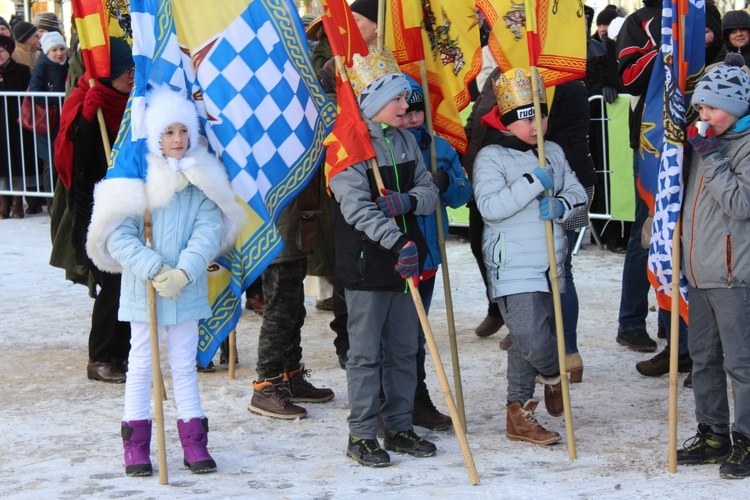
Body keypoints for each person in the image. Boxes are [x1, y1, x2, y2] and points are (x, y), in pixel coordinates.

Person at [86, 84, 245, 476]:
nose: (178, 139)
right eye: (169, 132)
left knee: (183, 364)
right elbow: (120, 236)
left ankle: (194, 441)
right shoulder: (136, 178)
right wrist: (154, 269)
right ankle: (136, 445)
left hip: (186, 288)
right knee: (141, 363)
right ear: (156, 135)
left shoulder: (201, 176)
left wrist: (185, 271)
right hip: (145, 290)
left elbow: (208, 230)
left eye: (184, 131)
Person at [329, 46, 439, 467]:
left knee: (403, 349)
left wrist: (407, 202)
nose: (405, 105)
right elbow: (355, 208)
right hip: (368, 265)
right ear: (374, 103)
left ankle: (398, 425)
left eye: (406, 98)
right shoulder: (347, 144)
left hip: (406, 260)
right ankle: (362, 434)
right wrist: (397, 241)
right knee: (365, 354)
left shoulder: (407, 140)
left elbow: (430, 192)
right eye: (396, 98)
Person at [472, 67, 587, 445]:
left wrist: (561, 206)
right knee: (531, 336)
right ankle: (553, 376)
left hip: (550, 261)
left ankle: (517, 415)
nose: (537, 125)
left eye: (542, 115)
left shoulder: (552, 151)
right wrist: (533, 182)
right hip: (512, 263)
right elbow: (490, 207)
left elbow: (579, 199)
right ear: (507, 121)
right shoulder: (491, 156)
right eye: (526, 119)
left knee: (525, 342)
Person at [676, 53, 750, 479]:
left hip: (734, 273)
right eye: (700, 107)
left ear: (736, 108)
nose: (703, 115)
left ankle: (747, 438)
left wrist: (712, 155)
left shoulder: (737, 147)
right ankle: (713, 433)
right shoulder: (704, 143)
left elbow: (741, 204)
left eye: (711, 108)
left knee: (741, 362)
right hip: (699, 270)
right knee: (703, 358)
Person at [53, 37, 134, 383]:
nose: (132, 76)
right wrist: (87, 118)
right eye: (125, 71)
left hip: (128, 207)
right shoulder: (86, 101)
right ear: (108, 74)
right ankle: (99, 358)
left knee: (129, 286)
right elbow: (73, 162)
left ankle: (121, 355)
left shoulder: (130, 102)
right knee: (113, 286)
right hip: (94, 214)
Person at [310, 0, 380, 367]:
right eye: (348, 18)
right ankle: (347, 341)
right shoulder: (329, 59)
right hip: (344, 170)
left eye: (358, 19)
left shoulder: (386, 60)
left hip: (385, 172)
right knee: (347, 261)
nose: (349, 25)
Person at [403, 76, 472, 430]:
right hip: (396, 256)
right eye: (407, 111)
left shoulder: (440, 147)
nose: (412, 119)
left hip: (428, 258)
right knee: (397, 336)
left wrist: (448, 183)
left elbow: (463, 194)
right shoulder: (384, 146)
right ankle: (393, 404)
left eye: (418, 111)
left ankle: (416, 401)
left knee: (417, 334)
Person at [247, 170, 335, 420]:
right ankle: (266, 386)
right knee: (280, 313)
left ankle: (290, 377)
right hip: (278, 232)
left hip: (298, 226)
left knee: (294, 310)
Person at [29, 31, 68, 215]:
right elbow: (35, 91)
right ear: (47, 51)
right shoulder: (42, 67)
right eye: (54, 50)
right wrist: (58, 100)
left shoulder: (67, 65)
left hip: (64, 119)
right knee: (50, 162)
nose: (59, 53)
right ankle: (52, 202)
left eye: (61, 48)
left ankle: (64, 199)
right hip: (48, 122)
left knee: (64, 159)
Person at [0, 34, 36, 219]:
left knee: (17, 160)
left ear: (9, 52)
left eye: (2, 51)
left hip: (16, 123)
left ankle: (17, 202)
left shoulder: (21, 70)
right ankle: (3, 201)